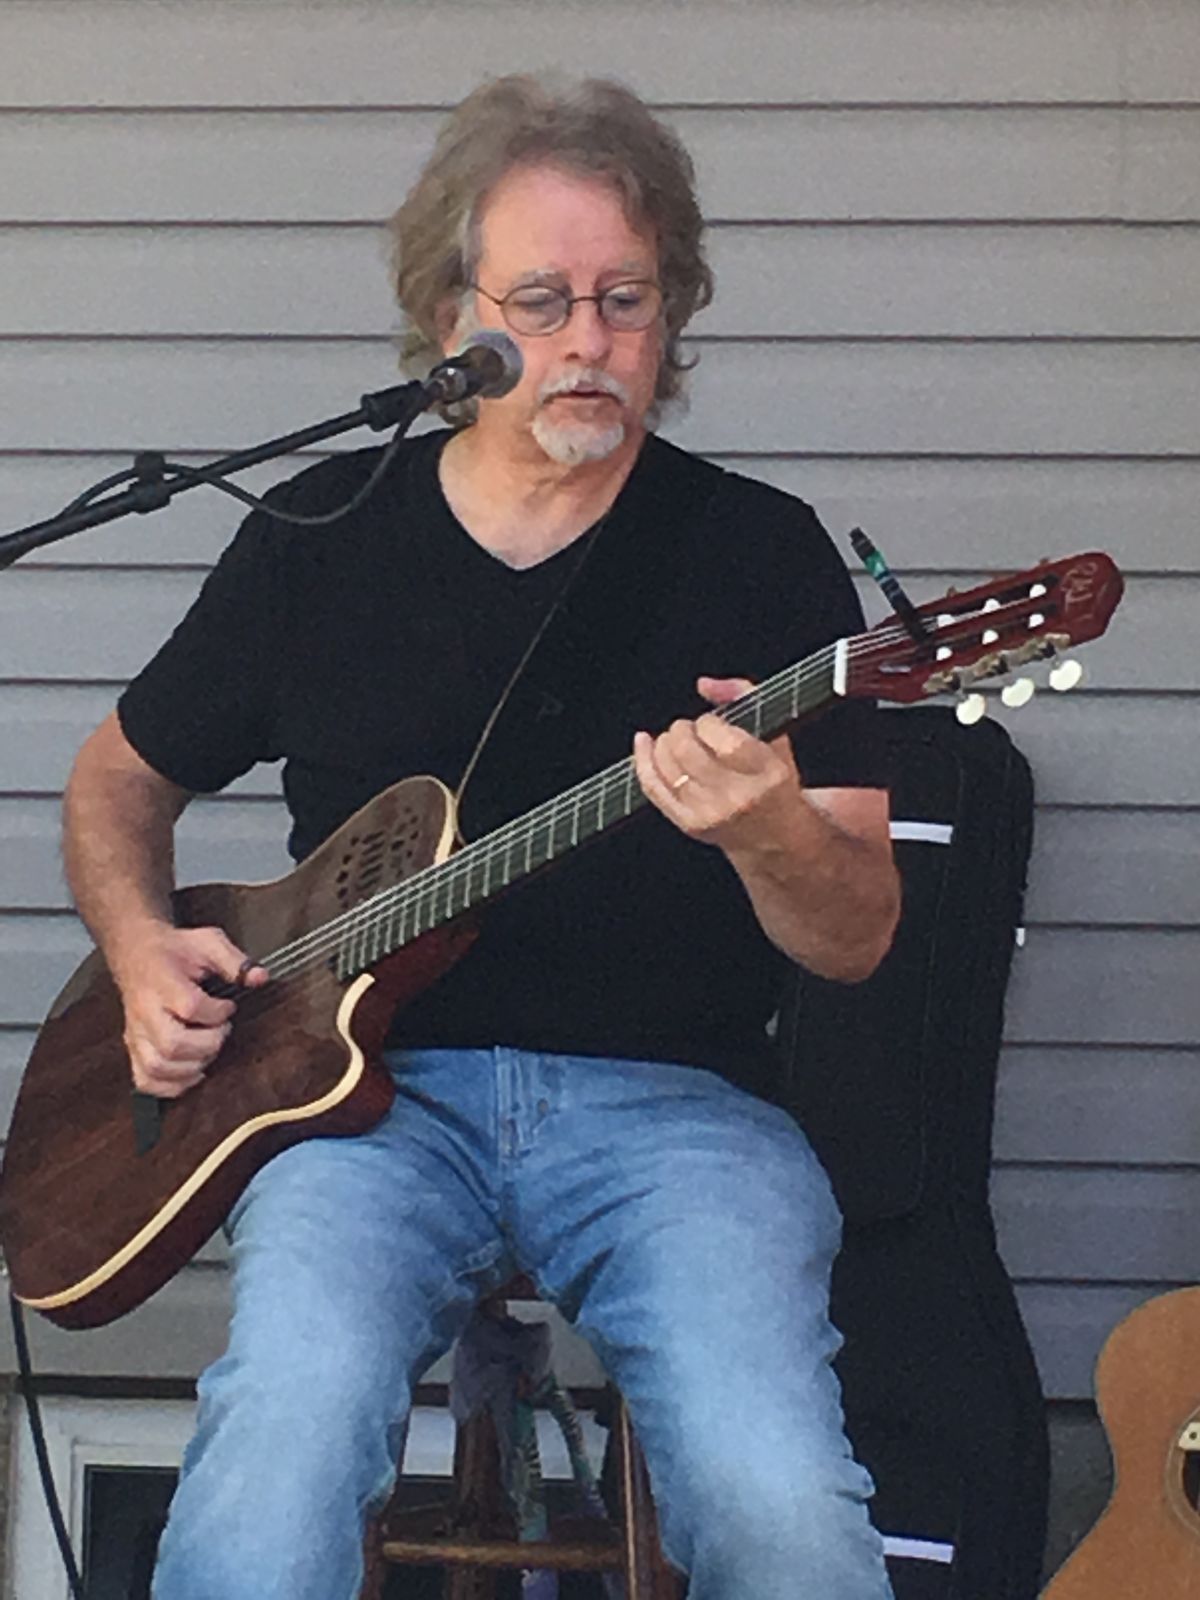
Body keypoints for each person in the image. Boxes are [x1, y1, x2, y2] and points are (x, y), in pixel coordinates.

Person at [63, 74, 901, 1600]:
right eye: (543, 301)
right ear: (453, 318)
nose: (589, 342)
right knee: (279, 1451)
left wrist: (771, 831)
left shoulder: (759, 554)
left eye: (627, 300)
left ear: (671, 313)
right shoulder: (325, 533)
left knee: (777, 1499)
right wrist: (136, 949)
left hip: (677, 1111)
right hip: (363, 1111)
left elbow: (857, 936)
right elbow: (120, 778)